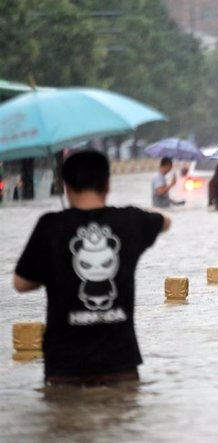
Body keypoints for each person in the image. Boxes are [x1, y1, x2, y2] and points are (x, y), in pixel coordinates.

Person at [13, 150, 171, 386]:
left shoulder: (50, 225)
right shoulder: (129, 221)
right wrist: (136, 213)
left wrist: (55, 269)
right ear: (107, 183)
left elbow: (21, 283)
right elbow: (166, 221)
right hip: (120, 365)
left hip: (65, 367)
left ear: (65, 186)